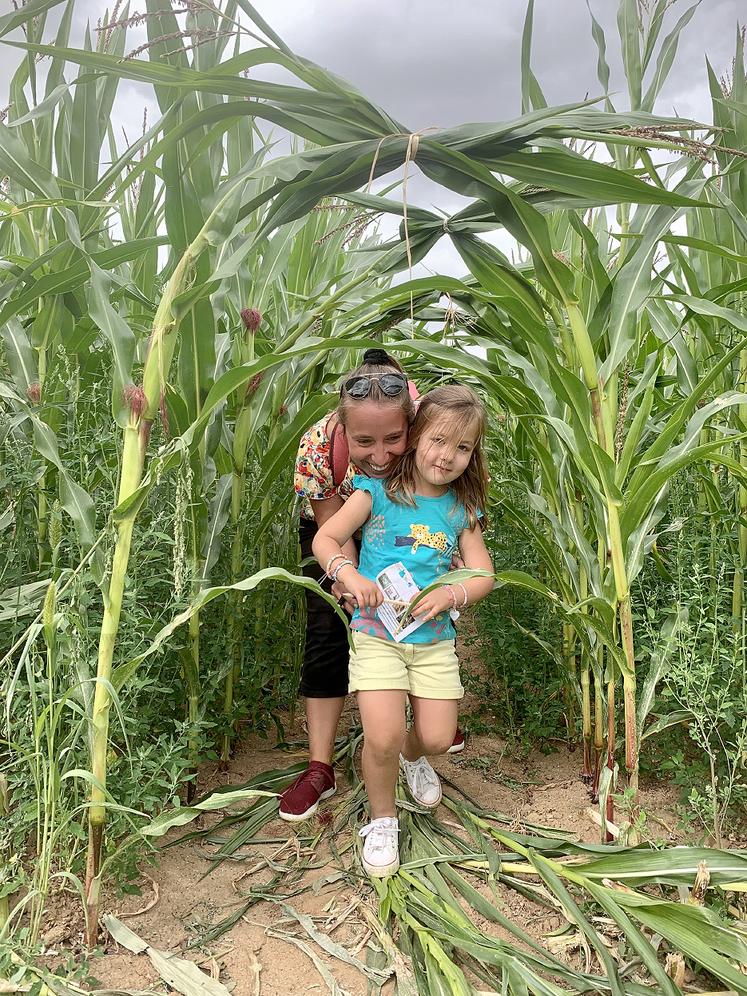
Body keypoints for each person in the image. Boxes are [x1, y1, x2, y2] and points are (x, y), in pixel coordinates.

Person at [312, 385, 494, 876]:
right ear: (414, 436)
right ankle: (383, 819)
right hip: (377, 636)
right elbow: (326, 536)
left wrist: (451, 594)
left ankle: (416, 760)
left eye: (463, 448)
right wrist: (348, 575)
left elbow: (482, 574)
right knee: (384, 734)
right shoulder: (376, 493)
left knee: (435, 738)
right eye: (439, 440)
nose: (448, 456)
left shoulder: (460, 510)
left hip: (433, 641)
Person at [281, 351, 464, 823]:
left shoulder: (427, 422)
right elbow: (331, 534)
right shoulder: (318, 446)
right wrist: (349, 580)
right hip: (339, 529)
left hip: (405, 525)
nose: (381, 455)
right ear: (343, 428)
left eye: (394, 439)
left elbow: (449, 483)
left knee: (416, 621)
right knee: (327, 633)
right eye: (365, 441)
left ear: (413, 425)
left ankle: (420, 729)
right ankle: (320, 766)